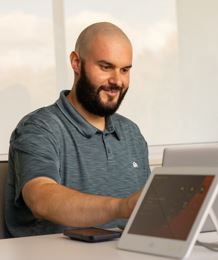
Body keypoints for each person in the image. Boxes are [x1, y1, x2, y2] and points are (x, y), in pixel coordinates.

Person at [5, 22, 150, 237]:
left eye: (125, 70)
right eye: (105, 67)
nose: (117, 81)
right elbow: (41, 199)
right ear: (76, 63)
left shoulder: (132, 133)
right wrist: (122, 207)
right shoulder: (38, 128)